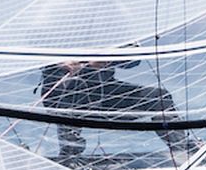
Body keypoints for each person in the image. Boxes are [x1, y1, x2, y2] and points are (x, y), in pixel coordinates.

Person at [39, 59, 196, 161]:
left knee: (158, 97)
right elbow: (36, 53)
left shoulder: (114, 20)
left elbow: (134, 60)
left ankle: (183, 150)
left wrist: (110, 57)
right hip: (65, 92)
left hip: (106, 93)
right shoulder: (57, 19)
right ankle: (69, 157)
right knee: (72, 102)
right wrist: (60, 64)